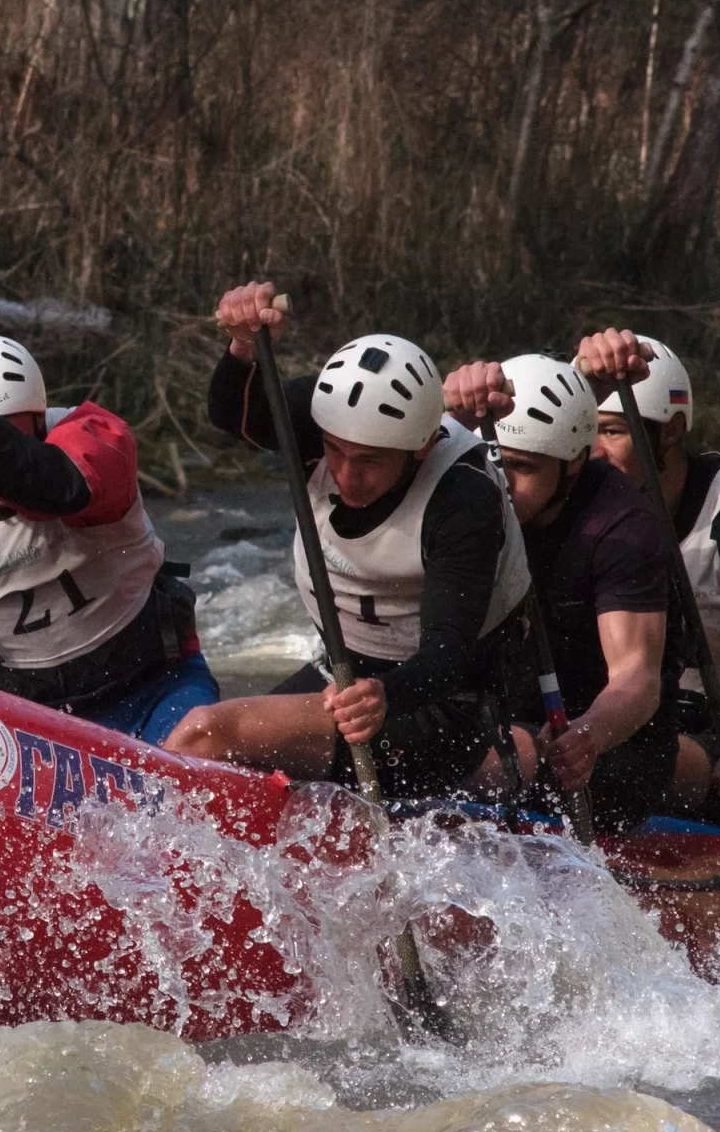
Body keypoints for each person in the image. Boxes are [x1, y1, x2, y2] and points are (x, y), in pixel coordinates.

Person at [159, 282, 529, 794]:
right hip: (346, 674)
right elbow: (234, 415)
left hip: (437, 705)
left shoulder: (464, 496)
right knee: (230, 768)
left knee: (204, 734)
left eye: (370, 461)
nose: (347, 475)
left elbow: (449, 651)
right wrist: (243, 348)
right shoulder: (326, 418)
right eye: (336, 452)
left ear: (418, 448)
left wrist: (383, 696)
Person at [0, 335, 217, 743]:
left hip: (155, 684)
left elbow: (52, 489)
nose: (1, 449)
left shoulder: (97, 436)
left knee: (199, 746)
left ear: (40, 420)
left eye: (15, 432)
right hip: (36, 712)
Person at [577, 329, 720, 826]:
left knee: (626, 759)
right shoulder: (579, 501)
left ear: (672, 430)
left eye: (615, 432)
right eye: (588, 431)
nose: (594, 452)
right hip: (621, 714)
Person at [442, 353, 683, 832]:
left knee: (476, 751)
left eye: (523, 468)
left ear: (573, 462)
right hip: (498, 721)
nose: (504, 486)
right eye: (496, 465)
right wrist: (449, 411)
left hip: (604, 750)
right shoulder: (469, 493)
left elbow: (637, 679)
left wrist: (589, 735)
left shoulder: (621, 526)